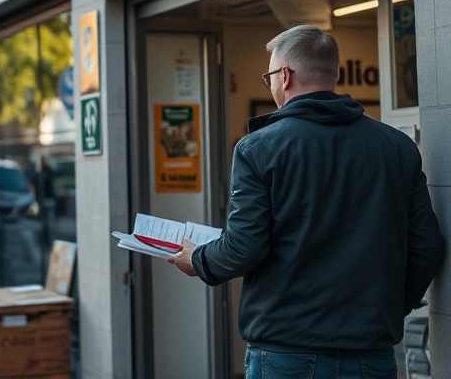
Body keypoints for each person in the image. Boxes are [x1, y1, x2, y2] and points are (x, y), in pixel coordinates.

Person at [167, 25, 445, 378]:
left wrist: (198, 259)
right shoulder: (397, 147)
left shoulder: (258, 148)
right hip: (371, 352)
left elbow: (244, 246)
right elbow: (427, 247)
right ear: (334, 75)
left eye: (269, 78)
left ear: (284, 76)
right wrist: (387, 308)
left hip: (285, 353)